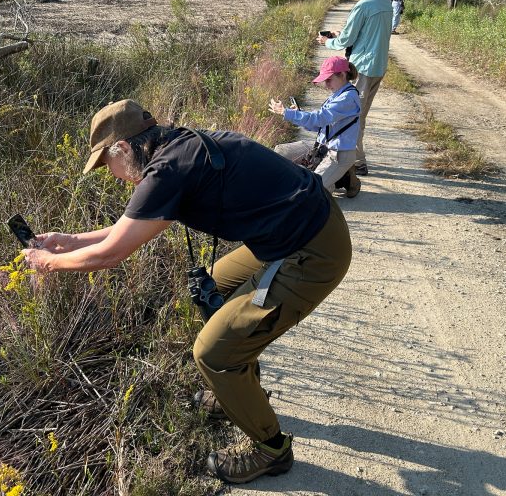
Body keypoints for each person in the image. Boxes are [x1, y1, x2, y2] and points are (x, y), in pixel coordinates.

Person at [22, 99, 352, 484]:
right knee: (215, 284)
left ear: (124, 148)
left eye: (104, 164)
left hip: (313, 250)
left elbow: (112, 253)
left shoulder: (166, 171)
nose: (109, 174)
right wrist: (69, 241)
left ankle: (271, 449)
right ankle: (239, 388)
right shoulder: (177, 146)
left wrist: (47, 263)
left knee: (212, 352)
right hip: (295, 229)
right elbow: (124, 231)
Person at [317, 0, 392, 177]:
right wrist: (339, 35)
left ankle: (357, 163)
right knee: (361, 114)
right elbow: (368, 35)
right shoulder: (385, 4)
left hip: (362, 67)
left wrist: (328, 42)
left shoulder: (364, 5)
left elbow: (348, 39)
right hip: (378, 66)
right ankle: (356, 160)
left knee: (352, 117)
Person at [268, 55, 362, 197]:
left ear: (342, 75)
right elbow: (320, 126)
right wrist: (298, 115)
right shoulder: (337, 93)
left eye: (329, 79)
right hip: (321, 147)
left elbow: (319, 118)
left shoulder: (348, 98)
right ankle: (336, 175)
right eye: (325, 80)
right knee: (280, 152)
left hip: (338, 154)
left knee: (312, 191)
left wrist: (287, 113)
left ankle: (343, 178)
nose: (326, 84)